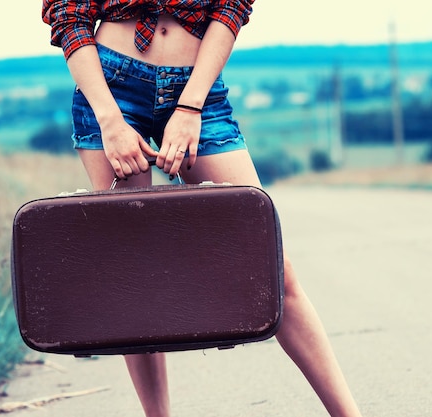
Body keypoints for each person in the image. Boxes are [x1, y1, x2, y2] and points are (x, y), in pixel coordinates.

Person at [42, 1, 363, 416]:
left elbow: (231, 7)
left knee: (272, 270)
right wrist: (110, 121)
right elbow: (68, 14)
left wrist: (191, 106)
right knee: (132, 282)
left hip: (199, 89)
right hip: (110, 88)